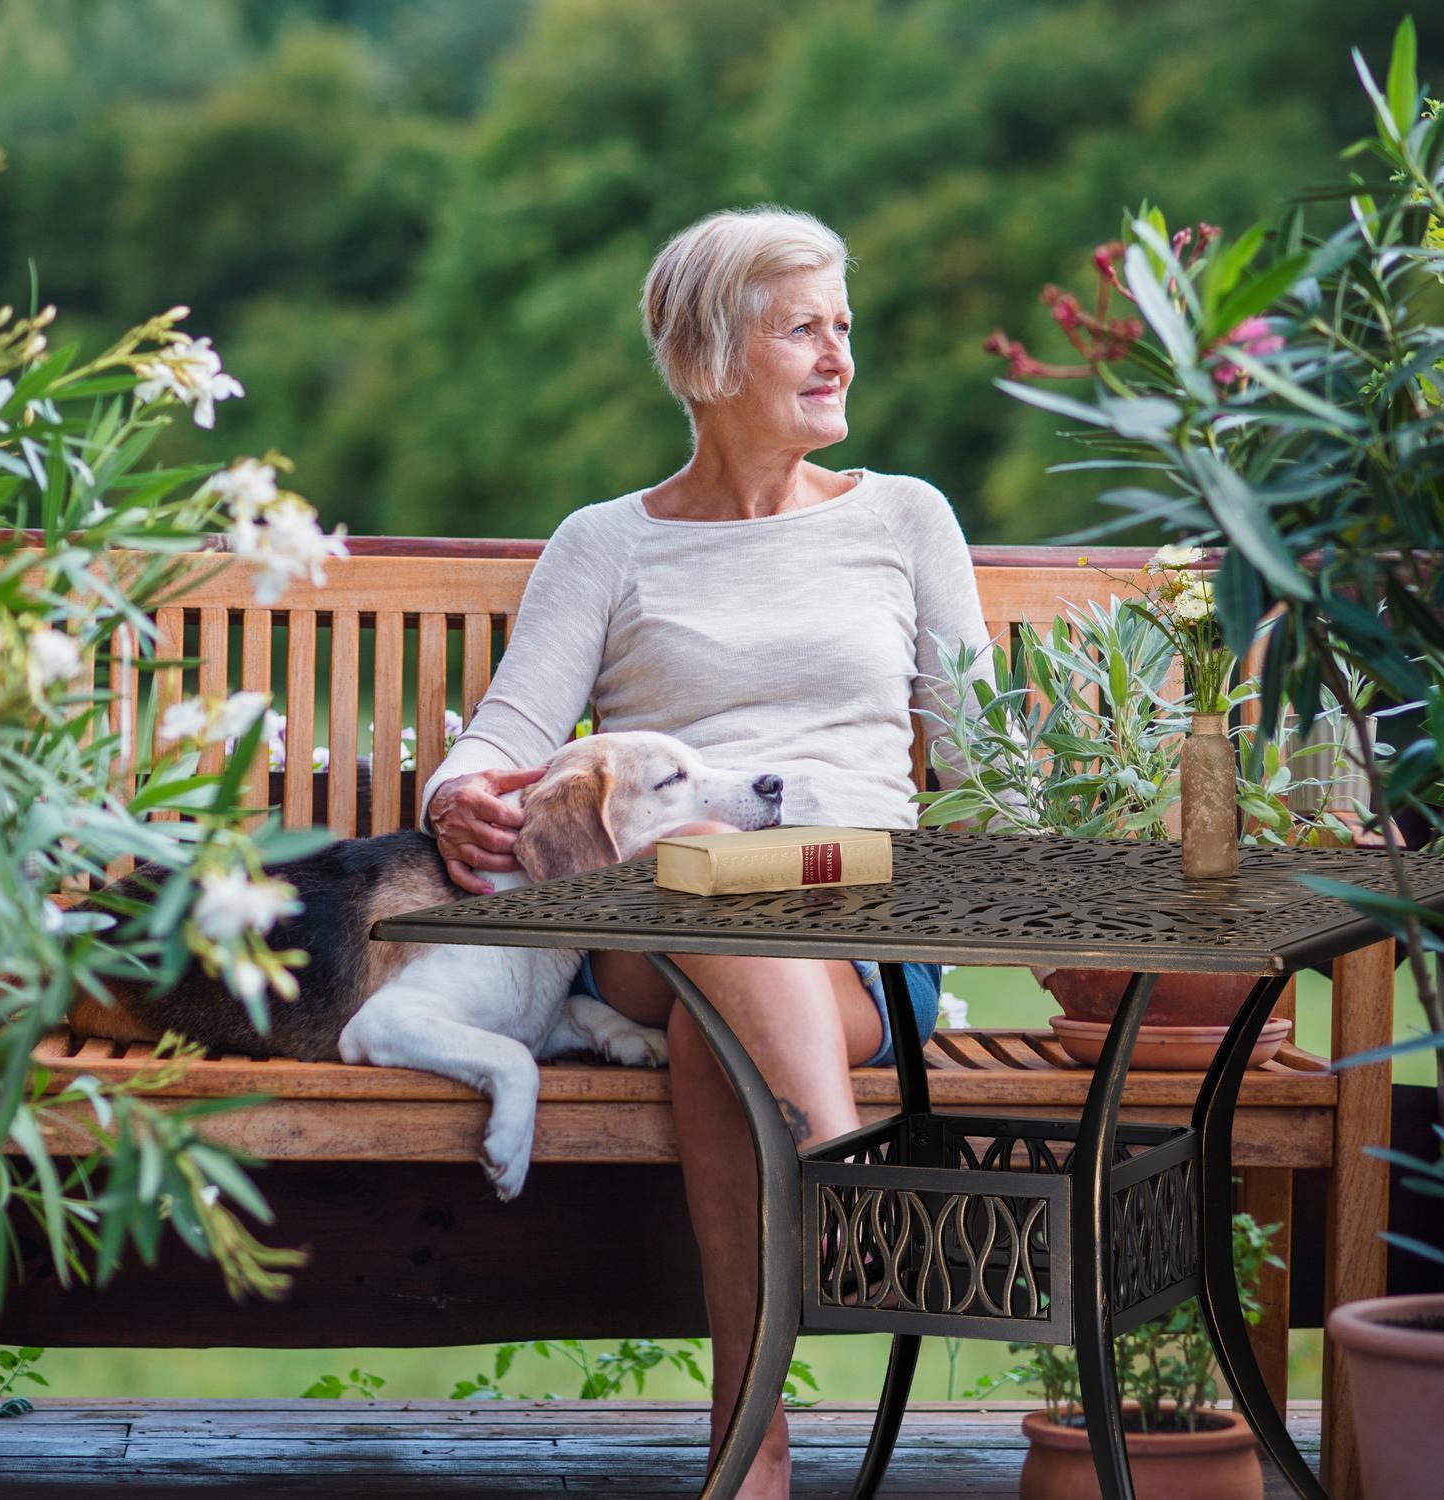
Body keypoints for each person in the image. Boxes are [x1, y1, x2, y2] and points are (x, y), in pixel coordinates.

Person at [420, 205, 995, 1499]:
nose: (840, 353)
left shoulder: (905, 519)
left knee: (715, 1036)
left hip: (860, 925)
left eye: (842, 326)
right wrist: (460, 796)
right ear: (710, 354)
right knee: (691, 856)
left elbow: (985, 755)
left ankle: (752, 1453)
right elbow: (503, 735)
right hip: (647, 925)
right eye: (804, 329)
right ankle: (856, 1186)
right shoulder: (607, 542)